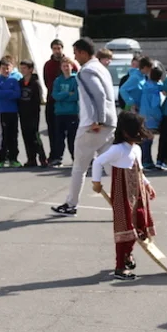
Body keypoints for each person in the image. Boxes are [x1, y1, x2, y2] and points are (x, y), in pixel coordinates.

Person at [51, 38, 117, 217]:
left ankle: (71, 204)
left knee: (79, 167)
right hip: (109, 123)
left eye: (76, 53)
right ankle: (125, 203)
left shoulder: (86, 71)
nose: (74, 57)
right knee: (111, 167)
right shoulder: (101, 68)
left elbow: (99, 95)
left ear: (83, 52)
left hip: (92, 125)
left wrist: (98, 120)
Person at [90, 111, 157, 281]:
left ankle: (128, 254)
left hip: (138, 194)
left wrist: (147, 184)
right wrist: (96, 182)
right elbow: (98, 162)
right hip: (123, 194)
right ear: (126, 132)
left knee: (138, 225)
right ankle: (120, 266)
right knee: (124, 227)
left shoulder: (136, 149)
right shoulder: (118, 149)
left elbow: (139, 170)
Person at [17, 59, 49, 167]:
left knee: (34, 136)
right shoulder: (20, 82)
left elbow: (37, 99)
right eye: (21, 68)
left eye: (25, 68)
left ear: (31, 69)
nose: (23, 70)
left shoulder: (35, 83)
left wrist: (33, 110)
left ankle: (42, 158)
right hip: (23, 113)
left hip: (33, 113)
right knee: (26, 135)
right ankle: (31, 158)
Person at [0, 57, 22, 168]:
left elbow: (17, 94)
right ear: (0, 69)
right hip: (2, 111)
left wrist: (6, 93)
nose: (6, 70)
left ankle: (13, 158)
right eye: (3, 68)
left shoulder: (14, 80)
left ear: (12, 68)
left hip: (13, 111)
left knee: (13, 135)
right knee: (3, 135)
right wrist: (10, 92)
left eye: (8, 68)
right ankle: (1, 158)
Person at [43, 39, 68, 166]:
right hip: (52, 101)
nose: (57, 51)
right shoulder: (48, 65)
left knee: (68, 132)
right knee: (53, 131)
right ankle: (54, 155)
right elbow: (47, 82)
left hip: (67, 104)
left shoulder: (69, 63)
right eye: (54, 49)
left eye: (59, 48)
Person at [50, 58, 80, 165]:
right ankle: (58, 158)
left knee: (73, 137)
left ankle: (75, 158)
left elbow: (76, 96)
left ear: (72, 66)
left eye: (68, 66)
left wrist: (63, 96)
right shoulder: (58, 80)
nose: (66, 68)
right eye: (64, 66)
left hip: (72, 112)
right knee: (59, 137)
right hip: (60, 112)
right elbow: (55, 95)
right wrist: (67, 93)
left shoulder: (76, 79)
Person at [139, 66, 165, 168]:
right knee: (148, 139)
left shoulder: (145, 85)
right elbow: (155, 106)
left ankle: (145, 160)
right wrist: (159, 117)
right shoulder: (155, 90)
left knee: (145, 139)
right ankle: (147, 161)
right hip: (151, 117)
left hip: (143, 114)